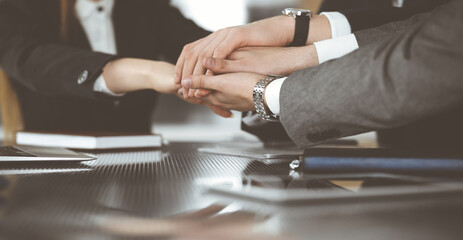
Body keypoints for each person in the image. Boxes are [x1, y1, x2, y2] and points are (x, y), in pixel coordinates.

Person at [179, 0, 463, 149]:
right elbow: (427, 26)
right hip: (396, 175)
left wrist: (268, 93)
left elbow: (426, 58)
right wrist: (296, 37)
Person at [0, 0, 231, 137]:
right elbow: (35, 63)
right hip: (51, 180)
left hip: (140, 176)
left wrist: (255, 88)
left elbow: (207, 51)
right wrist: (151, 73)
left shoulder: (148, 8)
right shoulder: (18, 9)